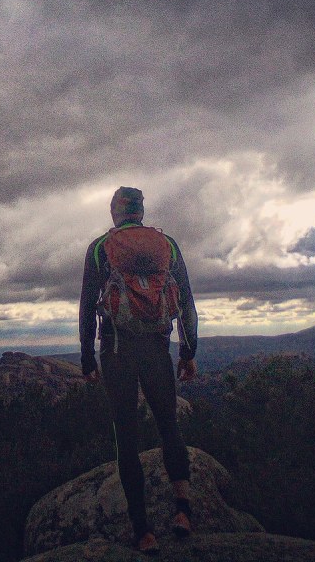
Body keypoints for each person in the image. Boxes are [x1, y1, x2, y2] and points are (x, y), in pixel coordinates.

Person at [79, 186, 199, 554]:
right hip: (158, 348)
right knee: (169, 425)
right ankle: (183, 511)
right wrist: (189, 351)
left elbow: (87, 307)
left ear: (115, 211)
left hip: (116, 350)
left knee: (126, 435)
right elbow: (188, 303)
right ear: (142, 212)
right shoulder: (169, 245)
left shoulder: (101, 248)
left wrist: (86, 356)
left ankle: (143, 531)